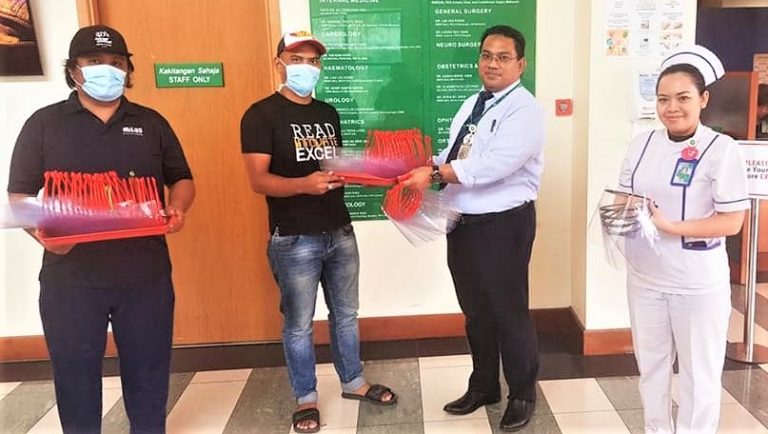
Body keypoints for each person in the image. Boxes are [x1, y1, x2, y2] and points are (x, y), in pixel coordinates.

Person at [6, 25, 195, 434]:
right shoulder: (44, 124)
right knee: (75, 375)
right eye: (94, 61)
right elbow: (18, 196)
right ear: (74, 70)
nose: (106, 69)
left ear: (127, 70)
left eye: (116, 62)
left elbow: (181, 178)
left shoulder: (151, 123)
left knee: (149, 371)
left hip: (145, 275)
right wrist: (45, 236)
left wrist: (177, 207)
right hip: (71, 278)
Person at [240, 31, 396, 434]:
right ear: (279, 63)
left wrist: (362, 174)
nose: (306, 68)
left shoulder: (328, 113)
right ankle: (306, 397)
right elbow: (258, 180)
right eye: (297, 60)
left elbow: (332, 168)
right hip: (294, 236)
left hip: (339, 229)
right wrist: (302, 185)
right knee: (298, 323)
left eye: (312, 61)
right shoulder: (260, 115)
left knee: (346, 314)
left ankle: (353, 381)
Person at [402, 25, 544, 432]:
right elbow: (457, 153)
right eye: (486, 55)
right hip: (462, 222)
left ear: (521, 64)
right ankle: (484, 385)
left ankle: (522, 393)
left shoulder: (525, 110)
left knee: (508, 311)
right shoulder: (474, 102)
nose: (492, 63)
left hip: (503, 225)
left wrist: (434, 174)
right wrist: (424, 165)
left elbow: (494, 165)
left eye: (503, 57)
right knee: (476, 310)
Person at [617, 45, 748, 434]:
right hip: (645, 278)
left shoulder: (721, 149)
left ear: (703, 99)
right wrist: (618, 214)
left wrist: (671, 226)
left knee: (698, 377)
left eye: (682, 98)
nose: (671, 107)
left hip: (696, 282)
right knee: (651, 369)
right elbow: (625, 197)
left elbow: (732, 222)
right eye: (663, 99)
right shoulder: (642, 143)